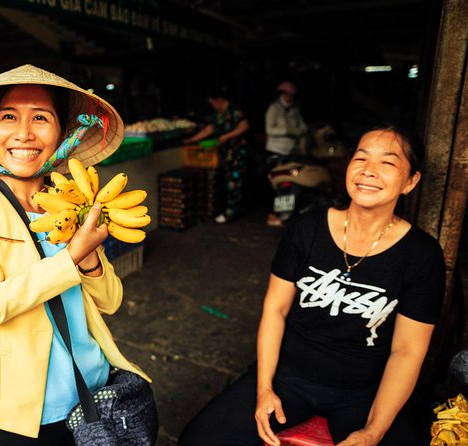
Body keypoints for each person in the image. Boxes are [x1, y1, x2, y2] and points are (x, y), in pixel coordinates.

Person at [0, 64, 152, 444]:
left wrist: (88, 254)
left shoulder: (69, 200)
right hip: (26, 410)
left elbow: (110, 301)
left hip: (94, 390)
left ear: (62, 133)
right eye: (8, 116)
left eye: (41, 118)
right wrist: (68, 258)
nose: (24, 133)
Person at [178, 125, 445, 446]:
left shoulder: (422, 255)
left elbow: (407, 351)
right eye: (360, 159)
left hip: (364, 391)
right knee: (197, 441)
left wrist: (373, 430)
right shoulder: (307, 228)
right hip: (288, 377)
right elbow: (275, 310)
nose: (368, 171)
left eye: (387, 163)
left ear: (411, 181)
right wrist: (265, 389)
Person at [184, 86, 249, 223]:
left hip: (236, 154)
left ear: (219, 100)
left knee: (234, 183)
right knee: (227, 182)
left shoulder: (233, 110)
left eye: (212, 102)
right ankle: (233, 209)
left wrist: (226, 137)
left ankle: (231, 212)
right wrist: (192, 140)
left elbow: (244, 126)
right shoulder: (218, 114)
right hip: (225, 154)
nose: (211, 105)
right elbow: (210, 129)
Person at [264, 81, 308, 227]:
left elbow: (302, 127)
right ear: (281, 94)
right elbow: (269, 130)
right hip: (275, 151)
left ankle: (284, 214)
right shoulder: (274, 108)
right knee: (274, 183)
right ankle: (271, 213)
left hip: (290, 152)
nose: (289, 97)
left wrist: (299, 132)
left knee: (288, 184)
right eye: (287, 94)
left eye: (292, 95)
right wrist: (287, 131)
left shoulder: (294, 110)